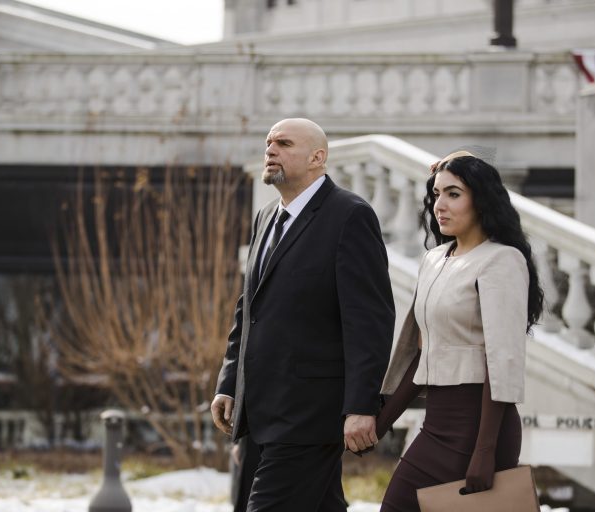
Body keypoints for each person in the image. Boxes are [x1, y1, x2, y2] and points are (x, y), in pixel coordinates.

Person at [211, 118, 395, 511]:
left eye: (284, 143)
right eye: (268, 143)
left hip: (310, 414)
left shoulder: (350, 216)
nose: (271, 150)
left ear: (317, 158)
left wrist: (362, 405)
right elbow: (249, 310)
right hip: (259, 410)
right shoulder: (266, 217)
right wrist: (230, 381)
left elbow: (370, 322)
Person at [375, 151, 544, 511]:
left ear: (481, 200)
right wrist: (382, 421)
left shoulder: (503, 260)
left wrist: (485, 452)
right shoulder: (435, 259)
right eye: (436, 194)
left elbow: (501, 360)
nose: (440, 205)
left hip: (480, 429)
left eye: (453, 193)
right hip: (437, 424)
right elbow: (423, 351)